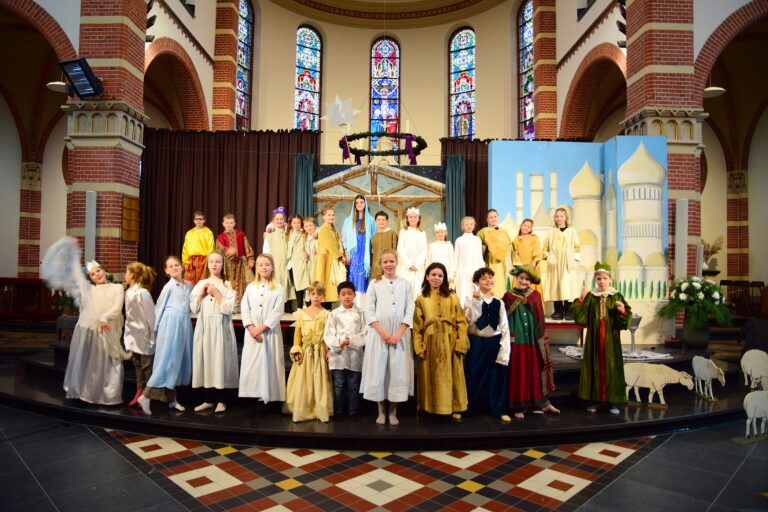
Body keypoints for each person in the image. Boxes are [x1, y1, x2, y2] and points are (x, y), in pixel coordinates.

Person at [42, 238, 130, 405]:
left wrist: (104, 319)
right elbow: (76, 273)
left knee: (109, 363)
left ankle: (108, 396)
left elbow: (117, 307)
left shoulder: (117, 288)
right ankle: (86, 392)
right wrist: (73, 250)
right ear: (90, 278)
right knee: (89, 364)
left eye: (98, 271)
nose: (97, 275)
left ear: (103, 270)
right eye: (92, 274)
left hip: (107, 330)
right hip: (89, 331)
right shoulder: (88, 290)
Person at [360, 249, 415, 425]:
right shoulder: (374, 284)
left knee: (396, 372)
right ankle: (381, 410)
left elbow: (410, 310)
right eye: (385, 262)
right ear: (380, 264)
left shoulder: (405, 284)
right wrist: (383, 333)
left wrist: (398, 333)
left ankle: (393, 411)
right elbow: (369, 311)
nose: (389, 264)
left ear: (397, 262)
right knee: (379, 371)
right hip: (379, 334)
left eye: (391, 261)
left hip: (400, 334)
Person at [569, 262, 631, 414]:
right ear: (595, 280)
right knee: (594, 367)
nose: (602, 281)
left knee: (611, 368)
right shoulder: (592, 296)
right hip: (594, 339)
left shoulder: (616, 296)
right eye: (598, 279)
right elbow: (580, 318)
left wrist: (622, 311)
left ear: (610, 279)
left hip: (611, 340)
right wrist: (581, 299)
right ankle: (595, 400)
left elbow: (624, 322)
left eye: (605, 278)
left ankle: (612, 402)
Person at [138, 256, 193, 415]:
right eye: (171, 266)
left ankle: (172, 399)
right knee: (166, 360)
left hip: (184, 324)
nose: (175, 268)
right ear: (166, 271)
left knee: (176, 362)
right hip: (170, 324)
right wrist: (154, 331)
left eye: (177, 265)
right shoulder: (168, 287)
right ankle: (146, 397)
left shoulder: (188, 285)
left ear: (182, 267)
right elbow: (159, 307)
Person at [413, 262, 468, 418]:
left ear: (444, 278)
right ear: (427, 276)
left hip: (450, 341)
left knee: (450, 376)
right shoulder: (421, 299)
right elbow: (417, 326)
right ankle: (430, 408)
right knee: (430, 376)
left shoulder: (452, 297)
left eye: (440, 276)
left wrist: (460, 344)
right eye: (433, 275)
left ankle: (451, 407)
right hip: (429, 343)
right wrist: (419, 347)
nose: (436, 278)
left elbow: (462, 322)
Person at [503, 265, 558, 419]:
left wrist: (540, 338)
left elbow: (539, 318)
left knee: (535, 369)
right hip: (517, 340)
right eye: (521, 278)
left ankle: (542, 403)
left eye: (527, 279)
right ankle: (518, 406)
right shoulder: (508, 296)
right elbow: (504, 318)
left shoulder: (535, 295)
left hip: (533, 340)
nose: (524, 281)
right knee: (519, 371)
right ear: (516, 278)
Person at [190, 251, 238, 413]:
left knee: (219, 361)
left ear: (223, 264)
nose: (214, 264)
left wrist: (217, 294)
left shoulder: (228, 285)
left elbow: (230, 308)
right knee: (207, 360)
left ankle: (222, 400)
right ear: (208, 264)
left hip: (221, 328)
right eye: (211, 262)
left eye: (218, 261)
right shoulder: (200, 284)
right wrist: (201, 294)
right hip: (205, 327)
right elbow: (193, 308)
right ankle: (208, 399)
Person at [463, 267, 511, 422]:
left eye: (490, 277)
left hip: (494, 342)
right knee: (473, 373)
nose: (488, 280)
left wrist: (504, 350)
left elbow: (504, 327)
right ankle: (466, 407)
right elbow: (469, 320)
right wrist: (476, 302)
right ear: (477, 283)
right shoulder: (470, 299)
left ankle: (499, 409)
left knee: (497, 376)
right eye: (484, 278)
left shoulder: (499, 302)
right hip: (477, 342)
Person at [239, 253, 286, 406]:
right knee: (253, 366)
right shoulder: (251, 287)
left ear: (272, 267)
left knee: (270, 365)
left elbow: (277, 311)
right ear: (257, 268)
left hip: (269, 333)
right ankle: (253, 399)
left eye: (267, 264)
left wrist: (262, 328)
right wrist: (251, 327)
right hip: (252, 334)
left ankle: (269, 400)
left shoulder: (278, 288)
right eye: (261, 265)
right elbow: (245, 308)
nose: (264, 267)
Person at [283, 282, 333, 422]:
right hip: (306, 352)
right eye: (313, 294)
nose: (316, 296)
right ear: (309, 295)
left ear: (323, 296)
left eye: (319, 294)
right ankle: (304, 409)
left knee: (320, 380)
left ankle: (319, 409)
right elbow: (297, 335)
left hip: (320, 352)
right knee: (304, 381)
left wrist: (329, 350)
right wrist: (296, 349)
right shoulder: (302, 314)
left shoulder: (327, 314)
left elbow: (329, 335)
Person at [324, 281, 367, 417]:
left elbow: (365, 332)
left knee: (353, 385)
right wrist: (338, 343)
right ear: (338, 296)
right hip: (338, 354)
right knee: (338, 385)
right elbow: (328, 333)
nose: (347, 297)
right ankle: (338, 411)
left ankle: (353, 411)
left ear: (354, 295)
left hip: (355, 354)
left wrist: (352, 340)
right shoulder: (334, 314)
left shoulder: (360, 313)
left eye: (349, 293)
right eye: (343, 294)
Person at [124, 261, 157, 408]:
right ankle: (139, 391)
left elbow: (151, 318)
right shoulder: (129, 291)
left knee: (147, 366)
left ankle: (147, 396)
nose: (125, 275)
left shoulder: (143, 293)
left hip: (145, 336)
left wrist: (152, 338)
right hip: (133, 335)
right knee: (137, 363)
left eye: (126, 272)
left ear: (132, 275)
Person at [542, 207, 581, 320]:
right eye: (557, 216)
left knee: (568, 286)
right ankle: (558, 311)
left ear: (565, 217)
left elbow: (577, 247)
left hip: (568, 264)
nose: (559, 218)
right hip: (554, 264)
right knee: (556, 286)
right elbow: (545, 248)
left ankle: (569, 311)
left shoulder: (572, 231)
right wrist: (549, 257)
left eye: (561, 216)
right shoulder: (551, 232)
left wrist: (575, 260)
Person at [342, 194, 376, 302]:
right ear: (354, 205)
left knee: (363, 278)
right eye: (357, 203)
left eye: (361, 202)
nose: (359, 204)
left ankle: (362, 305)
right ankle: (350, 303)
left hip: (365, 254)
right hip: (353, 254)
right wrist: (346, 253)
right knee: (351, 277)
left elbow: (374, 237)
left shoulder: (371, 220)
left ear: (365, 204)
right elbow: (344, 238)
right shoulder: (348, 220)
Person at [216, 213, 255, 306]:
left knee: (248, 281)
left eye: (231, 223)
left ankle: (246, 305)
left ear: (234, 224)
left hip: (242, 262)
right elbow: (218, 250)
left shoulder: (240, 234)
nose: (229, 225)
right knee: (230, 284)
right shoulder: (220, 237)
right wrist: (227, 251)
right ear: (223, 224)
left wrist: (250, 259)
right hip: (228, 264)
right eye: (227, 223)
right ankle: (232, 305)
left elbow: (247, 247)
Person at [263, 206, 295, 305]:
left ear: (284, 220)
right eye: (277, 219)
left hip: (286, 261)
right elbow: (266, 249)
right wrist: (267, 261)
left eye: (281, 219)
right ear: (273, 220)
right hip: (275, 261)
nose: (279, 221)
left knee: (287, 282)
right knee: (276, 281)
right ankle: (276, 303)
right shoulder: (269, 232)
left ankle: (287, 305)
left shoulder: (288, 231)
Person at [314, 207, 345, 306]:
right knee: (325, 282)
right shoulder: (323, 229)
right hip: (326, 259)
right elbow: (330, 245)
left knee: (329, 285)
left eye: (333, 215)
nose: (331, 217)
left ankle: (328, 308)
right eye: (329, 215)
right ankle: (324, 308)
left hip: (331, 258)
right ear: (323, 217)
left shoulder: (332, 228)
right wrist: (340, 256)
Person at [478, 209, 512, 298]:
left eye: (495, 216)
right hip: (489, 260)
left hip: (500, 262)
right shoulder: (483, 231)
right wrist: (486, 248)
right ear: (487, 219)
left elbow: (508, 245)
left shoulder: (504, 231)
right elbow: (477, 247)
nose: (493, 219)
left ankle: (500, 300)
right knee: (490, 281)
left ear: (498, 217)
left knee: (500, 282)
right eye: (490, 217)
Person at [397, 207, 429, 299]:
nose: (413, 219)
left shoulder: (422, 233)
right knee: (405, 290)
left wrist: (417, 265)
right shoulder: (403, 232)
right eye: (411, 217)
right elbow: (401, 249)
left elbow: (424, 250)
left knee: (418, 290)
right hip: (405, 267)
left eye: (415, 217)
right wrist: (409, 265)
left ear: (419, 219)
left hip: (418, 268)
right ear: (407, 219)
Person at [454, 216, 485, 308]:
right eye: (467, 224)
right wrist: (454, 272)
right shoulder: (459, 240)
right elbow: (456, 257)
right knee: (462, 296)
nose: (469, 226)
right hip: (462, 272)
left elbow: (479, 256)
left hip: (475, 272)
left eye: (471, 224)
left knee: (474, 295)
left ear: (474, 226)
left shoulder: (477, 240)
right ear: (463, 226)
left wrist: (482, 270)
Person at [181, 211, 215, 286]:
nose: (199, 221)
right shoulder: (189, 233)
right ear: (194, 221)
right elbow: (185, 248)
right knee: (189, 282)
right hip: (191, 261)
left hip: (203, 260)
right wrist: (185, 262)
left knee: (203, 281)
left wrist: (209, 260)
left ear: (204, 220)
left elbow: (211, 247)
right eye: (197, 219)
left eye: (200, 219)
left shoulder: (208, 232)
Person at [511, 218, 543, 296]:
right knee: (519, 289)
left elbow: (537, 253)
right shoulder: (515, 240)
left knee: (531, 291)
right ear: (521, 225)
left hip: (532, 268)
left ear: (531, 229)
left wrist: (531, 267)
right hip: (520, 269)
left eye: (529, 227)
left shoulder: (534, 238)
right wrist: (521, 268)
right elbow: (514, 255)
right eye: (525, 225)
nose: (526, 228)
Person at [286, 214, 310, 309]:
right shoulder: (288, 232)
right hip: (290, 263)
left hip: (300, 262)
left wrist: (306, 252)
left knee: (301, 284)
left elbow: (314, 230)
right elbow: (273, 225)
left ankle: (301, 307)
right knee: (294, 285)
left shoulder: (304, 233)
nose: (296, 225)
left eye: (298, 223)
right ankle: (297, 307)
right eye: (294, 223)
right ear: (291, 224)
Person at [370, 210, 398, 280]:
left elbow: (395, 250)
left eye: (383, 220)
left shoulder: (392, 233)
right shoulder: (374, 237)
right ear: (375, 222)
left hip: (389, 267)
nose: (381, 222)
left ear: (387, 221)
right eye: (379, 220)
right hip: (377, 268)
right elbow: (373, 253)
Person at [427, 222, 455, 288]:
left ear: (446, 233)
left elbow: (452, 260)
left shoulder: (449, 245)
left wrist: (451, 275)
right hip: (434, 273)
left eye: (442, 232)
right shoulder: (432, 245)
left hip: (446, 273)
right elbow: (428, 260)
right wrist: (428, 273)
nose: (440, 234)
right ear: (435, 233)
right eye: (438, 232)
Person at [303, 216, 319, 302]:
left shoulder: (318, 235)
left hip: (316, 264)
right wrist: (305, 253)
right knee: (308, 284)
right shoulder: (305, 238)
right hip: (308, 265)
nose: (309, 228)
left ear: (315, 226)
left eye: (311, 225)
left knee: (315, 283)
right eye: (306, 226)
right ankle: (308, 301)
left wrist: (317, 251)